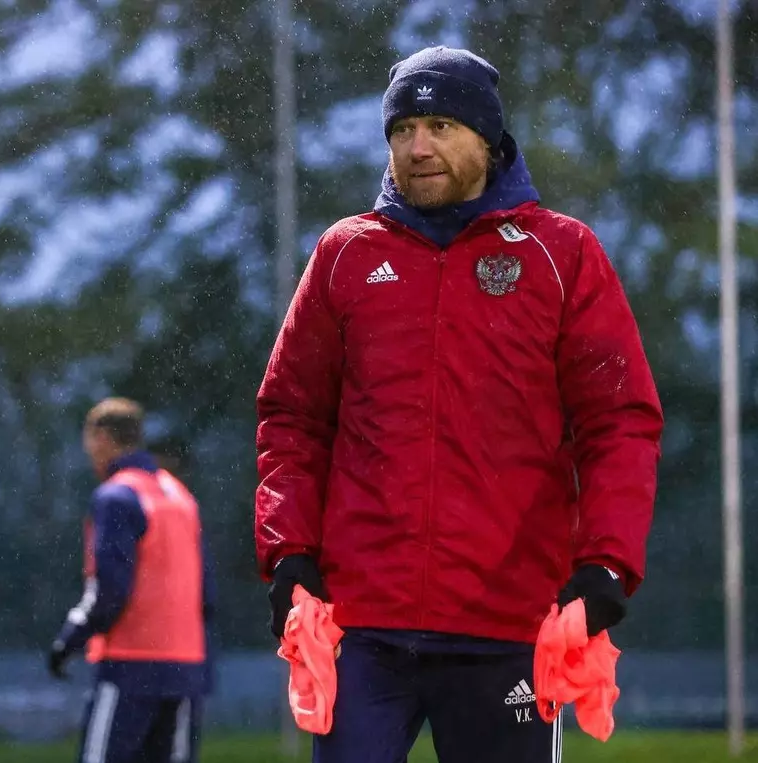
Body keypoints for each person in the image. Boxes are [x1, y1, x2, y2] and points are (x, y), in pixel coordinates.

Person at [254, 45, 663, 763]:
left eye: (439, 126)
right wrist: (288, 552)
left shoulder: (562, 253)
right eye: (402, 130)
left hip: (509, 625)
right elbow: (292, 419)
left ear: (487, 137)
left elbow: (619, 424)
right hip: (363, 628)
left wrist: (605, 563)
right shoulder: (345, 254)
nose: (418, 148)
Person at [49, 398, 214, 763]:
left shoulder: (116, 496)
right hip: (186, 666)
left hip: (130, 665)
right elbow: (207, 592)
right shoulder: (181, 497)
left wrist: (68, 640)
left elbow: (109, 589)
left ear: (102, 438)